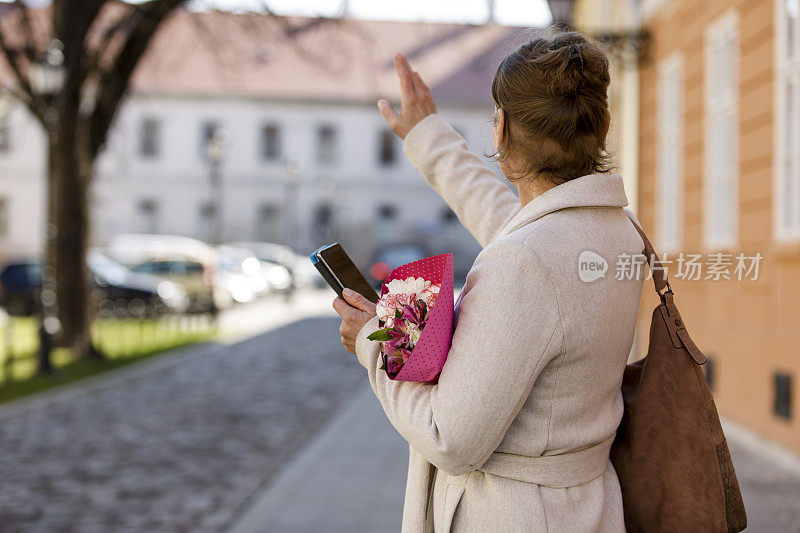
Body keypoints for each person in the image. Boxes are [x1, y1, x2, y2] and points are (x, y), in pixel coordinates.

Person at [333, 28, 644, 532]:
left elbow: (449, 439)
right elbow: (513, 224)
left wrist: (374, 339)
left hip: (513, 514)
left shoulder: (528, 261)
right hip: (585, 507)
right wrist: (429, 137)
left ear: (498, 129)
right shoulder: (615, 231)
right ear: (603, 124)